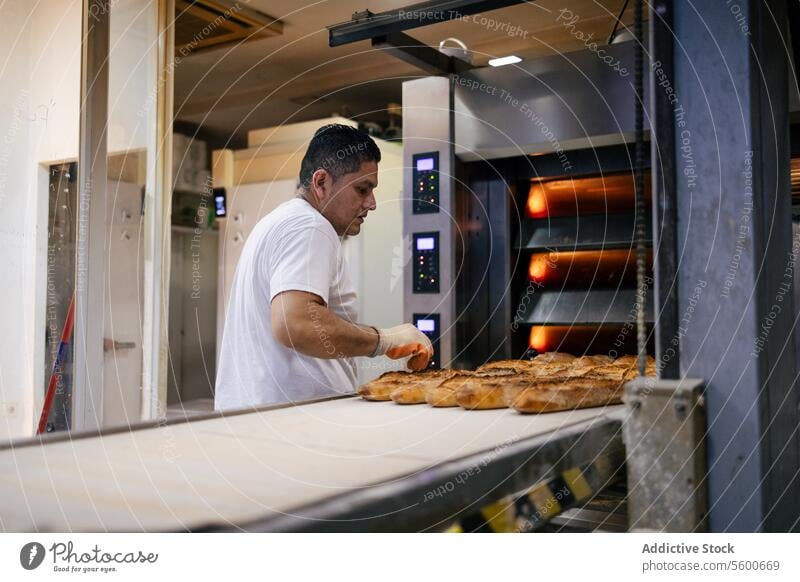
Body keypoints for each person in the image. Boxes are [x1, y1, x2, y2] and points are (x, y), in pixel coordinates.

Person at [214, 124, 432, 410]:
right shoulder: (310, 226)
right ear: (321, 183)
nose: (372, 203)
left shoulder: (279, 222)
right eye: (362, 189)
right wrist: (384, 339)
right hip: (289, 426)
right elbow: (296, 324)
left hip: (262, 419)